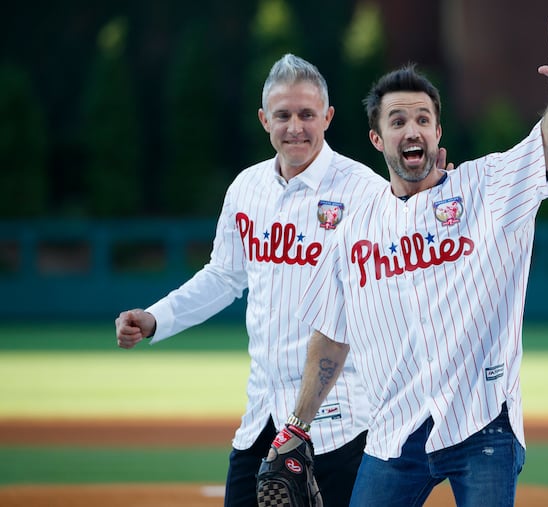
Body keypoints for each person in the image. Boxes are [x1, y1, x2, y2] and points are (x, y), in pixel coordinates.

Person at [274, 11, 548, 507]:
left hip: (481, 423)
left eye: (422, 119)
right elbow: (331, 337)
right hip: (394, 435)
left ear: (438, 133)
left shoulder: (485, 188)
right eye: (397, 121)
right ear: (378, 139)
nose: (411, 129)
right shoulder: (353, 227)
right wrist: (297, 426)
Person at [113, 54, 446, 507]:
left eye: (308, 114)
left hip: (343, 424)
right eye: (284, 115)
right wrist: (156, 318)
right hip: (262, 416)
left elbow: (406, 275)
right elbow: (224, 276)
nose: (296, 127)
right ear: (263, 118)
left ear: (328, 117)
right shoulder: (246, 189)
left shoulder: (364, 190)